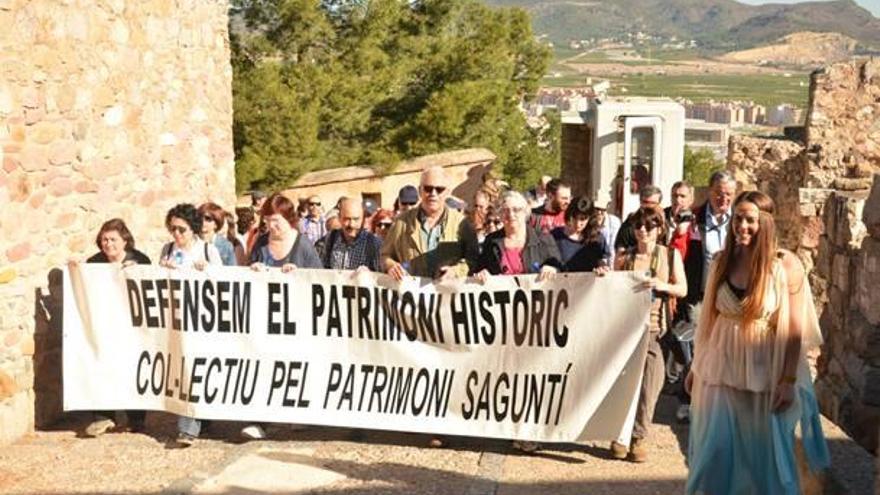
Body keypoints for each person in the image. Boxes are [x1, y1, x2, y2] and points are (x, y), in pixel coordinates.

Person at [685, 191, 829, 494]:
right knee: (713, 456)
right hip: (720, 371)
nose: (742, 226)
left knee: (764, 461)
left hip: (765, 375)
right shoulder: (722, 261)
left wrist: (788, 379)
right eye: (738, 218)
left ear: (765, 223)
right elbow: (708, 322)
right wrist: (696, 366)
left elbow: (792, 330)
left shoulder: (785, 265)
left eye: (750, 219)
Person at [472, 191, 562, 453]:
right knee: (508, 373)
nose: (511, 215)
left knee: (533, 373)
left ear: (526, 212)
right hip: (503, 322)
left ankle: (529, 430)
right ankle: (510, 427)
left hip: (536, 321)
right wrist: (481, 273)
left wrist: (553, 269)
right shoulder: (492, 241)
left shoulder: (543, 240)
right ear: (500, 214)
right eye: (506, 210)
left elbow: (561, 267)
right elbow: (478, 269)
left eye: (516, 209)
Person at [611, 206, 686, 463]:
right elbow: (611, 288)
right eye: (639, 226)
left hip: (655, 329)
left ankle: (639, 435)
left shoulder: (670, 255)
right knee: (624, 383)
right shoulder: (624, 257)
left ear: (659, 229)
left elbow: (683, 288)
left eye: (650, 226)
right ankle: (621, 433)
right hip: (627, 330)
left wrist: (661, 285)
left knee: (650, 385)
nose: (644, 230)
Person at [159, 204, 223, 447]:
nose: (176, 234)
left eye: (181, 229)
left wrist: (207, 272)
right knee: (185, 370)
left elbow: (225, 284)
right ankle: (189, 427)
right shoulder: (167, 250)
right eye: (172, 229)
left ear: (192, 229)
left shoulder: (208, 250)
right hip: (177, 322)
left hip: (203, 323)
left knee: (198, 370)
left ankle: (197, 421)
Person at [81, 218, 151, 437]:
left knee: (132, 367)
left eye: (113, 239)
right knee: (101, 364)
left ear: (125, 241)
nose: (108, 244)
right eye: (104, 239)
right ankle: (103, 416)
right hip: (104, 324)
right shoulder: (94, 263)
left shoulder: (140, 260)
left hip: (132, 325)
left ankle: (136, 417)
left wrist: (137, 272)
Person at [676, 171, 737, 422]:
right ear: (709, 192)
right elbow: (679, 251)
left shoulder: (739, 220)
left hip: (730, 296)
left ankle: (718, 404)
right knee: (695, 348)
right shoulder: (694, 219)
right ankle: (687, 399)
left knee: (725, 349)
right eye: (719, 193)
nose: (724, 199)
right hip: (699, 294)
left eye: (729, 194)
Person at [381, 166, 478, 283]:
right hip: (413, 296)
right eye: (428, 188)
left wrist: (456, 271)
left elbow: (473, 260)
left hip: (447, 295)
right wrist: (391, 266)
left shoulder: (462, 224)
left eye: (439, 189)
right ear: (419, 191)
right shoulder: (401, 223)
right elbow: (384, 256)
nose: (433, 194)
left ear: (447, 192)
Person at [250, 193, 323, 272]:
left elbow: (319, 276)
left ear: (288, 218)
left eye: (275, 220)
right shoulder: (261, 243)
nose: (271, 225)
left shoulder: (303, 244)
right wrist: (252, 268)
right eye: (267, 220)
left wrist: (298, 274)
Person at [320, 198, 383, 271]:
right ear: (339, 218)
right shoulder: (330, 239)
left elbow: (382, 276)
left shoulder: (374, 244)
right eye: (347, 219)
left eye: (356, 219)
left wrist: (369, 274)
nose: (351, 224)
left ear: (363, 219)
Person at [551, 197, 609, 273]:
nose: (578, 224)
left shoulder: (597, 238)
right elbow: (545, 259)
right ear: (569, 215)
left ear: (590, 218)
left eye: (583, 219)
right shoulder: (556, 236)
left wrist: (602, 268)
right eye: (574, 218)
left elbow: (602, 260)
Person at [613, 184, 663, 252]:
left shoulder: (664, 221)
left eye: (652, 203)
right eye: (645, 202)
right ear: (640, 202)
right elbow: (621, 248)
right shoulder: (631, 222)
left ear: (659, 204)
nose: (649, 206)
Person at [198, 202, 237, 266]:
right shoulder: (190, 241)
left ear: (216, 224)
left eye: (208, 219)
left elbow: (232, 272)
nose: (203, 222)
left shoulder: (226, 246)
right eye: (200, 217)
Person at [593, 189, 621, 264]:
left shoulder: (614, 222)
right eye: (597, 209)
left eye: (602, 209)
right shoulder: (589, 221)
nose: (599, 212)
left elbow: (613, 246)